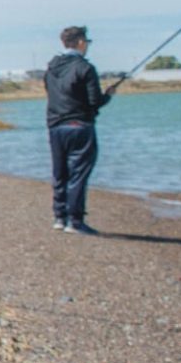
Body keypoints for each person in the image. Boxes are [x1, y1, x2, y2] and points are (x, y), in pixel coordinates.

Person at [45, 25, 112, 235]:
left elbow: (51, 93)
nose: (88, 46)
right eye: (87, 42)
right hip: (80, 126)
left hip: (56, 126)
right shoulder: (85, 68)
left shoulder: (51, 67)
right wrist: (108, 95)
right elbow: (95, 102)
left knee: (60, 172)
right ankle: (75, 221)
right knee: (78, 174)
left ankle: (59, 217)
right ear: (81, 42)